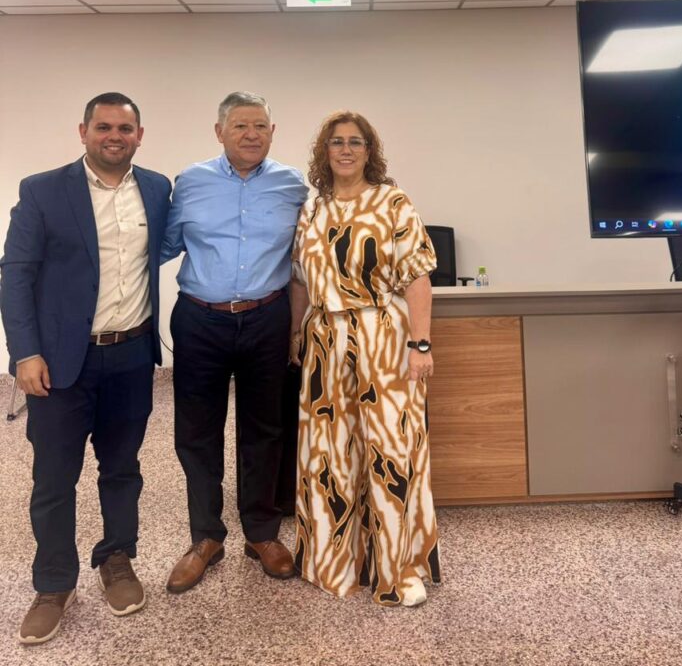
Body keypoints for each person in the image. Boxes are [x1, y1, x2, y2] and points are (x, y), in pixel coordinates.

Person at [0, 93, 171, 645]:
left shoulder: (157, 188)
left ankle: (116, 559)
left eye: (125, 128)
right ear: (83, 131)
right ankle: (54, 585)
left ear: (139, 135)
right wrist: (24, 353)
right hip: (58, 363)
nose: (114, 136)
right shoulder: (43, 190)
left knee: (122, 469)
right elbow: (15, 274)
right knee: (54, 478)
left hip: (131, 355)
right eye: (103, 127)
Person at [289, 111, 441, 607]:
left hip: (382, 337)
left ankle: (398, 567)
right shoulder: (312, 211)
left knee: (389, 451)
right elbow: (299, 278)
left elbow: (418, 276)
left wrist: (421, 344)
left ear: (369, 151)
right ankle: (334, 564)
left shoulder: (392, 202)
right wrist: (296, 330)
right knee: (328, 454)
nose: (346, 150)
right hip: (324, 342)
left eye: (356, 142)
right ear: (325, 151)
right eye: (337, 142)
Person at [163, 92, 308, 593]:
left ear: (273, 132)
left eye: (260, 126)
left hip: (267, 318)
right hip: (200, 319)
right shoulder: (191, 182)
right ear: (219, 131)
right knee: (197, 431)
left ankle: (261, 533)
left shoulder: (293, 185)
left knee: (264, 428)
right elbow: (162, 245)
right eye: (241, 125)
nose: (251, 134)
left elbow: (308, 254)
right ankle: (205, 537)